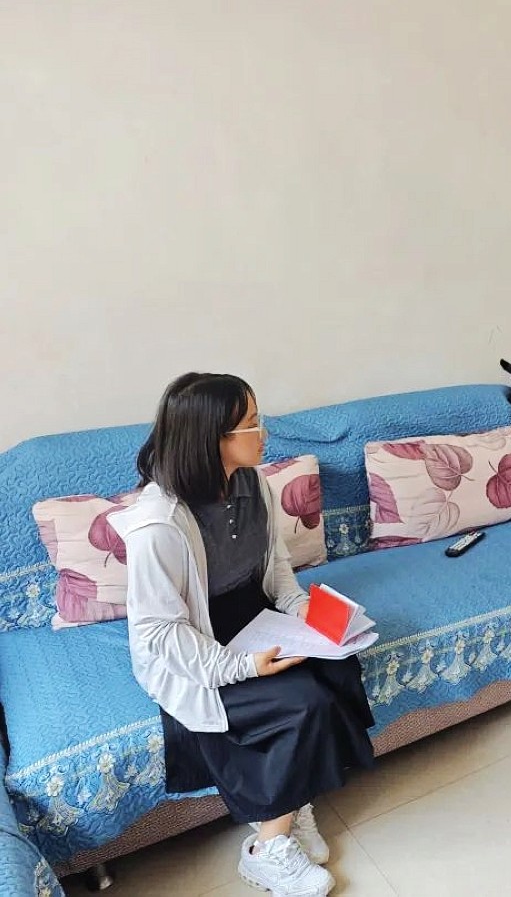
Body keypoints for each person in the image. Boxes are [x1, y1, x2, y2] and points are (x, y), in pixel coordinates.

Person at [112, 373, 375, 897]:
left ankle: (294, 804)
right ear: (213, 438)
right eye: (252, 424)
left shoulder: (254, 484)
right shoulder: (159, 523)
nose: (264, 433)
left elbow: (275, 569)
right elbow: (160, 633)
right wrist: (241, 667)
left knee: (339, 664)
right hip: (197, 640)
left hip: (253, 614)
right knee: (303, 704)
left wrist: (305, 614)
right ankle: (266, 849)